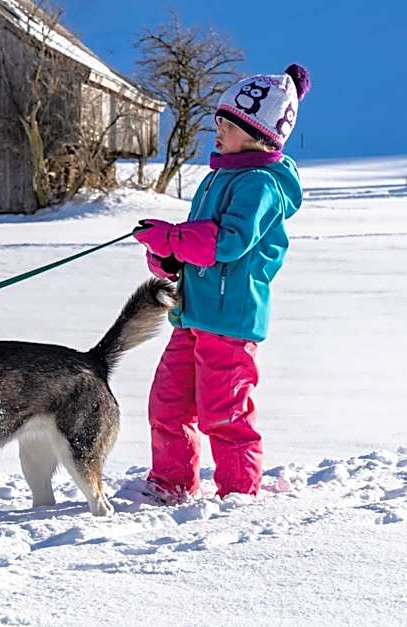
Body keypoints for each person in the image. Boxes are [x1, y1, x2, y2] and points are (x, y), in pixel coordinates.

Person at [119, 64, 311, 504]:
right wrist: (167, 256)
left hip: (230, 321)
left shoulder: (262, 184)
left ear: (258, 133)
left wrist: (173, 237)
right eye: (218, 123)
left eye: (227, 125)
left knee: (225, 413)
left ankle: (238, 494)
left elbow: (227, 244)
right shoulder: (216, 179)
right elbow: (195, 247)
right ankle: (170, 483)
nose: (217, 131)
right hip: (191, 315)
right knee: (168, 404)